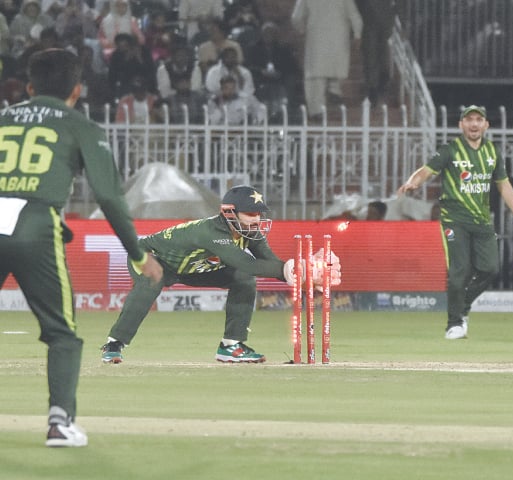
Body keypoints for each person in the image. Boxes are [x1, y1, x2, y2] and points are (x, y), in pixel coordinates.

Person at [0, 48, 163, 447]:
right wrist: (139, 255)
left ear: (29, 87)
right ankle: (60, 424)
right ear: (77, 90)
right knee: (62, 334)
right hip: (33, 222)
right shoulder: (81, 125)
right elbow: (109, 197)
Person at [100, 185, 341, 364]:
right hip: (153, 258)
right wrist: (295, 268)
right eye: (250, 214)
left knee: (242, 279)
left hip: (193, 268)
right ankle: (114, 344)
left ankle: (231, 346)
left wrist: (306, 278)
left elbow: (269, 263)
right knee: (151, 283)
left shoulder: (248, 230)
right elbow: (247, 263)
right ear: (229, 213)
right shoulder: (211, 233)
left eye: (259, 214)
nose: (257, 220)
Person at [397, 105, 513, 339]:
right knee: (459, 271)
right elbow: (427, 170)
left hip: (482, 220)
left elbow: (503, 184)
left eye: (478, 120)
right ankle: (454, 323)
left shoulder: (492, 151)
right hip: (454, 219)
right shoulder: (450, 150)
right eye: (469, 120)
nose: (473, 124)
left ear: (486, 125)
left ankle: (463, 307)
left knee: (491, 268)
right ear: (461, 125)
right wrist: (414, 182)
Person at [291, 0, 362, 118]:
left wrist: (302, 29)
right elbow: (354, 15)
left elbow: (296, 18)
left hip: (316, 39)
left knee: (316, 77)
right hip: (338, 39)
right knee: (335, 68)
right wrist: (357, 35)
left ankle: (317, 110)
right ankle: (334, 90)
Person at [355, 0, 395, 104]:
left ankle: (375, 84)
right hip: (379, 17)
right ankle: (379, 81)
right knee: (375, 51)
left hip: (371, 17)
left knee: (372, 53)